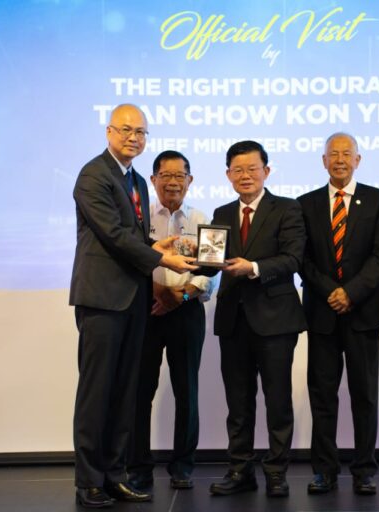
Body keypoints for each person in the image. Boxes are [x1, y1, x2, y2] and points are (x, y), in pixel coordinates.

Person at [69, 104, 197, 508]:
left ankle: (115, 475)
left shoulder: (138, 180)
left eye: (140, 132)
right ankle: (89, 481)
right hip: (102, 299)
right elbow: (112, 235)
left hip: (133, 299)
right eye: (126, 130)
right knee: (97, 392)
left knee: (125, 392)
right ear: (109, 132)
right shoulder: (93, 175)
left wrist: (158, 245)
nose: (133, 138)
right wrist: (162, 258)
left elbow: (134, 237)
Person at [201, 140, 307, 498]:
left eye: (252, 169)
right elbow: (211, 262)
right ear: (228, 174)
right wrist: (190, 256)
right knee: (238, 402)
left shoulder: (287, 208)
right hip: (234, 319)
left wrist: (254, 267)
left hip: (276, 320)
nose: (245, 175)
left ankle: (276, 472)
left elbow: (293, 259)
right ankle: (240, 469)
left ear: (267, 171)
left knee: (278, 400)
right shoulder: (221, 212)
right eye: (238, 170)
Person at [297, 132, 379, 495]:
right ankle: (324, 470)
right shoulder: (305, 203)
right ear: (324, 161)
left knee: (364, 395)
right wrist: (331, 292)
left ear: (358, 160)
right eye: (333, 154)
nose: (339, 160)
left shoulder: (378, 200)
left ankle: (364, 470)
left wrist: (350, 293)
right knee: (322, 395)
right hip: (322, 312)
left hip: (363, 312)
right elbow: (302, 259)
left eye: (346, 154)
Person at [128, 150, 216, 492]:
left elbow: (211, 272)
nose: (173, 182)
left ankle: (182, 466)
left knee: (187, 391)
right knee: (140, 392)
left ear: (190, 180)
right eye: (165, 176)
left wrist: (181, 296)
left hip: (186, 311)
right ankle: (138, 467)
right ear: (153, 180)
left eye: (180, 176)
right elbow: (132, 260)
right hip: (147, 310)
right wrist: (159, 292)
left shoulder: (202, 218)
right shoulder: (140, 219)